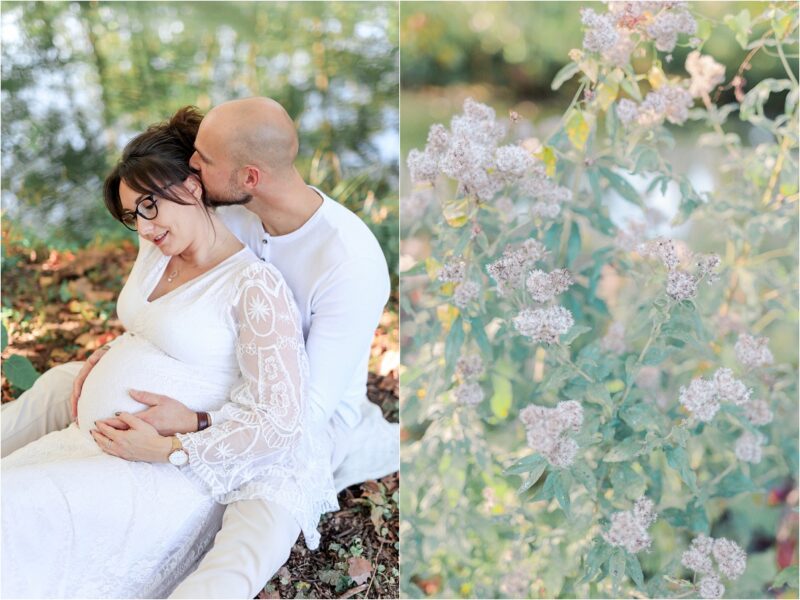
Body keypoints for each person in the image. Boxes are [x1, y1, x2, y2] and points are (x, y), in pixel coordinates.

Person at [1, 97, 399, 598]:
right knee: (64, 382)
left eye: (203, 161)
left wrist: (189, 428)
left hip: (307, 418)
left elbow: (298, 414)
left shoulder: (348, 260)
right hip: (209, 380)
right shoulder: (229, 211)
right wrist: (115, 355)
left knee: (266, 508)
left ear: (249, 176)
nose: (191, 164)